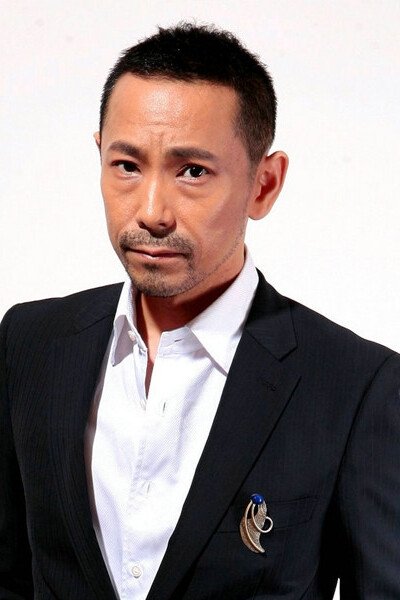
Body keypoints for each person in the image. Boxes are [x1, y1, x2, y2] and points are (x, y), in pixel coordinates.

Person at [0, 23, 399, 600]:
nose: (152, 211)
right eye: (127, 165)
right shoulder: (29, 342)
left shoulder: (355, 386)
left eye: (192, 171)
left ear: (264, 185)